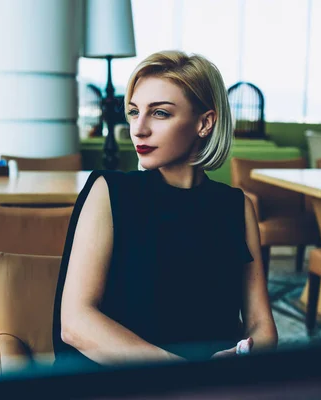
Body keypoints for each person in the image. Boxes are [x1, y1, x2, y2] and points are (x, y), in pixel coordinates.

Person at [52, 51, 277, 369]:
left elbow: (261, 325)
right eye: (133, 112)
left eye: (159, 113)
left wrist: (242, 357)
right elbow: (75, 323)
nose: (138, 129)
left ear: (204, 123)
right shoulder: (110, 191)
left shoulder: (236, 206)